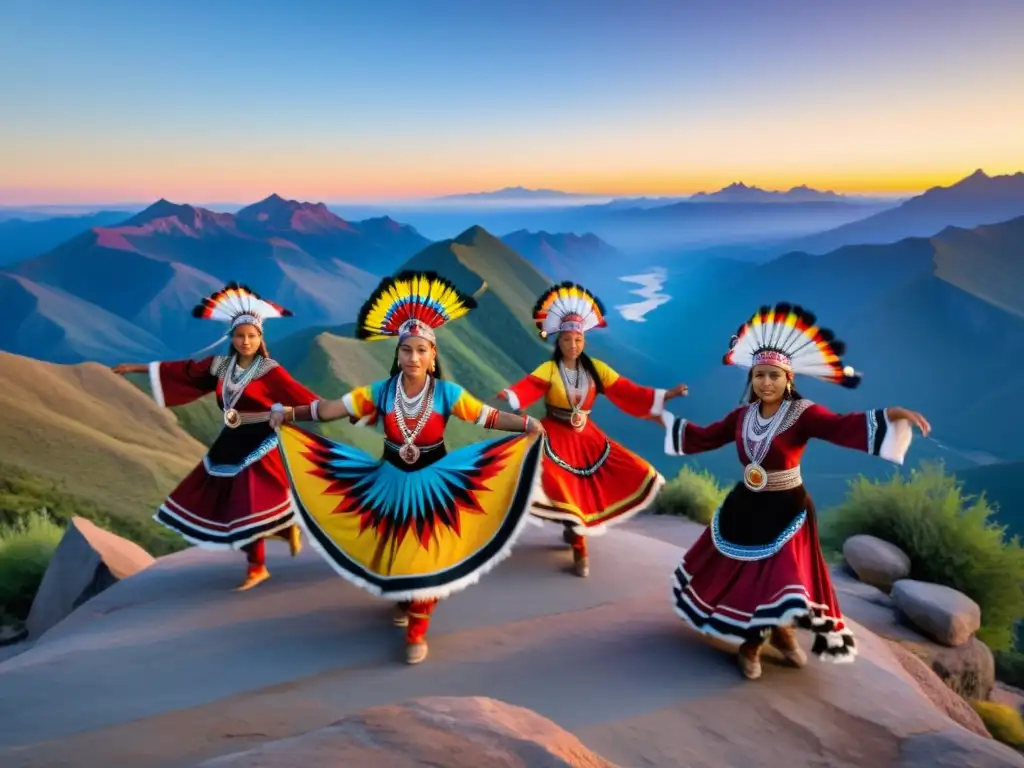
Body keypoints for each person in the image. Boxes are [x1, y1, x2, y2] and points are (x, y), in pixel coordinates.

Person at [268, 271, 545, 665]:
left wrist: (525, 424)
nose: (413, 357)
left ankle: (417, 630)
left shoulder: (448, 393)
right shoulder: (379, 392)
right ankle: (405, 598)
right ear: (396, 355)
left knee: (426, 554)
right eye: (406, 351)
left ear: (433, 357)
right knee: (394, 549)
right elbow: (329, 410)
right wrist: (287, 414)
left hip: (436, 484)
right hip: (388, 481)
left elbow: (485, 418)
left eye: (420, 350)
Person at [659, 302, 930, 680]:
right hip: (746, 506)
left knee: (778, 578)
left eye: (773, 375)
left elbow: (842, 426)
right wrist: (666, 423)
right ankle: (777, 635)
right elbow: (705, 437)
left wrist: (893, 415)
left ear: (788, 378)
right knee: (748, 577)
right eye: (759, 376)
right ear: (750, 379)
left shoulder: (804, 413)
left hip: (787, 509)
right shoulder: (741, 418)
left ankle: (756, 643)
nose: (765, 383)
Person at [112, 282, 320, 591]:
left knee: (252, 504)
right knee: (235, 505)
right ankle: (281, 534)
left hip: (264, 441)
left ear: (261, 338)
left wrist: (344, 409)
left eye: (251, 336)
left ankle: (258, 566)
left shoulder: (270, 371)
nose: (245, 341)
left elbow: (300, 395)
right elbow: (181, 371)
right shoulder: (220, 367)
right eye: (240, 336)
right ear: (231, 338)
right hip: (231, 443)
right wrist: (135, 367)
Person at [496, 281, 687, 577]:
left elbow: (628, 391)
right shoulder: (548, 370)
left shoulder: (596, 369)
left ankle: (576, 534)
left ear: (584, 340)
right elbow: (528, 387)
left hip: (586, 436)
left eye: (578, 340)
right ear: (557, 342)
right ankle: (579, 547)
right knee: (561, 484)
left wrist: (666, 395)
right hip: (554, 434)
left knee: (605, 480)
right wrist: (511, 396)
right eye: (567, 340)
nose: (573, 345)